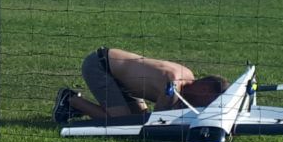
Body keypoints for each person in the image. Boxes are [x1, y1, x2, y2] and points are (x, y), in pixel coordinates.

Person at [53, 47, 229, 122]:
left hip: (122, 78)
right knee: (120, 122)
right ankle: (70, 100)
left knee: (136, 118)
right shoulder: (174, 84)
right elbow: (157, 120)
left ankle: (75, 108)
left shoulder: (188, 76)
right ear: (204, 89)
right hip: (100, 66)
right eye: (210, 101)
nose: (206, 106)